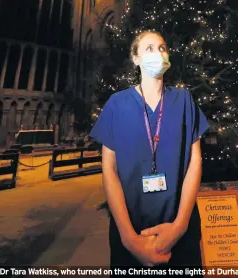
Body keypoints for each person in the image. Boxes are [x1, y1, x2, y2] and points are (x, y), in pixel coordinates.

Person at [89, 30, 209, 267]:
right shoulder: (116, 104)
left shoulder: (184, 100)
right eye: (149, 48)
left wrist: (180, 225)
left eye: (162, 48)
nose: (158, 53)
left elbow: (195, 162)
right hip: (132, 230)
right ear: (136, 58)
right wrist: (129, 239)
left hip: (180, 235)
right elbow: (109, 170)